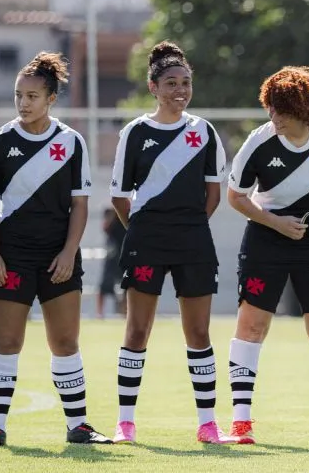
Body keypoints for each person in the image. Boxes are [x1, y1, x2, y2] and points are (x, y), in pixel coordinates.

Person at [0, 52, 111, 446]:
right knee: (6, 341)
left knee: (65, 342)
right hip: (12, 254)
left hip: (58, 256)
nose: (23, 102)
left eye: (32, 95)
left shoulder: (71, 141)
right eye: (19, 95)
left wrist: (69, 252)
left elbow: (80, 204)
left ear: (51, 98)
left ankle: (78, 426)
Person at [225, 66, 309, 444]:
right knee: (252, 327)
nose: (274, 117)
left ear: (305, 107)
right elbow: (236, 197)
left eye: (282, 109)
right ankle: (241, 422)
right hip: (266, 240)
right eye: (271, 108)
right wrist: (274, 222)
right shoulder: (259, 142)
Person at [109, 41, 231, 444]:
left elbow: (213, 194)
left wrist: (189, 226)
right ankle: (125, 422)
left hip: (193, 240)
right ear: (153, 87)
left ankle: (208, 423)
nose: (180, 90)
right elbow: (119, 196)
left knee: (198, 333)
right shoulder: (135, 132)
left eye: (186, 83)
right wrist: (143, 229)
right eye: (171, 83)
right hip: (146, 239)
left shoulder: (204, 132)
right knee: (137, 331)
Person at [97, 207, 127, 319]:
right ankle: (99, 314)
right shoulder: (110, 213)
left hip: (125, 256)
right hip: (112, 257)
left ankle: (125, 313)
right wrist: (114, 213)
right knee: (103, 287)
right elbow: (105, 228)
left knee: (127, 287)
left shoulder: (127, 214)